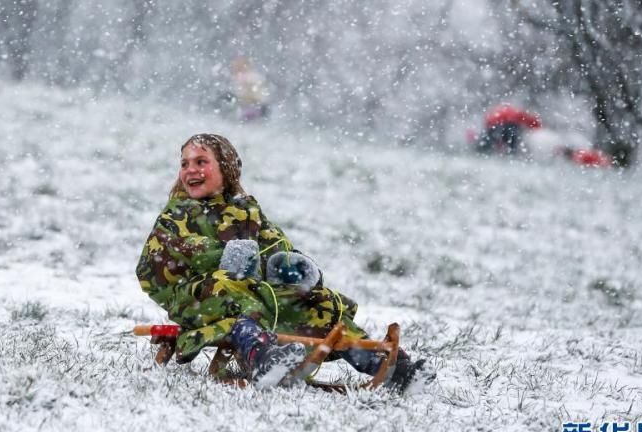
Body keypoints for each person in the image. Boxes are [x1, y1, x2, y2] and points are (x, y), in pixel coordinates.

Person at [136, 134, 431, 390]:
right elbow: (175, 252)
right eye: (185, 163)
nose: (191, 170)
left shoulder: (246, 209)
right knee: (229, 285)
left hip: (250, 292)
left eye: (201, 162)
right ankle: (262, 355)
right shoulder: (177, 214)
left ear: (225, 167)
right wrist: (222, 257)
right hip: (196, 298)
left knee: (319, 301)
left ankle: (384, 365)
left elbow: (276, 244)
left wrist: (292, 267)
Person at [477, 104, 541, 154]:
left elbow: (488, 122)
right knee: (512, 142)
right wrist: (538, 127)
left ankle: (483, 150)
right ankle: (511, 152)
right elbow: (529, 121)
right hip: (508, 127)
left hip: (495, 127)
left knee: (489, 141)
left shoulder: (496, 112)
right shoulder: (516, 112)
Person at [230, 57, 269, 121]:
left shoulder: (251, 77)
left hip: (254, 108)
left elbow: (258, 96)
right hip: (247, 108)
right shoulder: (238, 78)